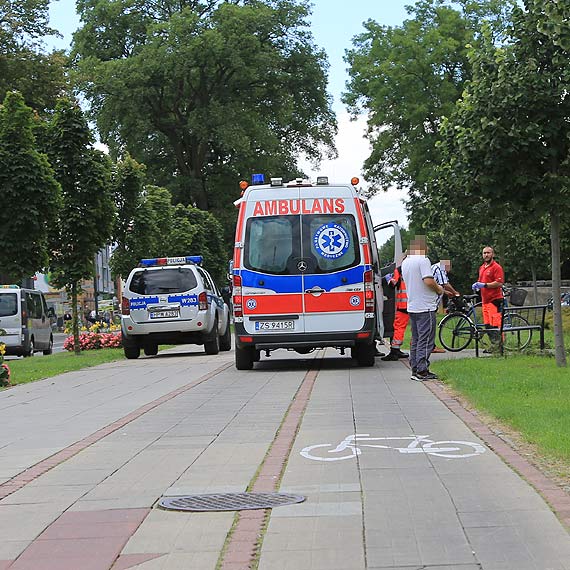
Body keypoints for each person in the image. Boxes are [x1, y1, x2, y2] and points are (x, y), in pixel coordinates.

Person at [401, 236, 444, 381]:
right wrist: (439, 289)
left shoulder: (405, 262)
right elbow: (428, 280)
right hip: (425, 306)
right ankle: (422, 370)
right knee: (426, 340)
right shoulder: (423, 260)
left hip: (412, 306)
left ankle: (414, 369)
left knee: (416, 339)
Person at [472, 246, 504, 343]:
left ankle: (499, 346)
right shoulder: (482, 268)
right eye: (484, 253)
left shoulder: (496, 267)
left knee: (495, 324)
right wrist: (477, 285)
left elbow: (499, 283)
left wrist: (484, 285)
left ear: (493, 254)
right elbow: (480, 281)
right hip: (485, 300)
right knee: (488, 325)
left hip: (494, 299)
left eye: (488, 253)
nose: (486, 255)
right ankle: (493, 345)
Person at [381, 262, 410, 361]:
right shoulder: (421, 266)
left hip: (404, 304)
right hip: (418, 303)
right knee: (417, 328)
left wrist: (388, 277)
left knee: (399, 327)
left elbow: (393, 283)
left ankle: (395, 350)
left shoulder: (400, 269)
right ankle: (416, 349)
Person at [431, 259, 460, 353]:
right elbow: (445, 283)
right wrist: (455, 292)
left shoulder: (435, 267)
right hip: (431, 302)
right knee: (430, 324)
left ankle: (424, 344)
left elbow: (438, 285)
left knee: (426, 324)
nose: (448, 271)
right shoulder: (439, 268)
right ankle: (431, 346)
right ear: (447, 265)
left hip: (429, 301)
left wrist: (446, 292)